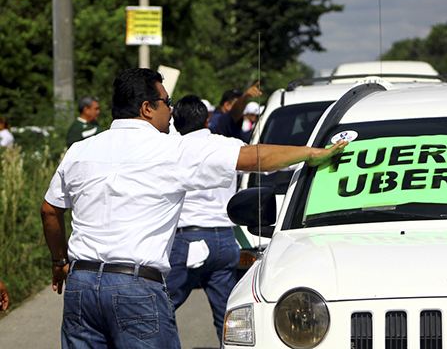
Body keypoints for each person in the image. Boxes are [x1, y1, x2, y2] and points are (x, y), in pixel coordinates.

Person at [40, 68, 347, 349]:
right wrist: (312, 153)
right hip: (134, 286)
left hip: (80, 285)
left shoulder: (79, 151)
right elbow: (255, 157)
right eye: (166, 101)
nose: (171, 111)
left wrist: (59, 262)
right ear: (147, 108)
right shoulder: (173, 149)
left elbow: (49, 211)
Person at [166, 95, 242, 343]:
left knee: (158, 309)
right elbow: (272, 164)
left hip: (189, 240)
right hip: (227, 240)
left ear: (175, 122)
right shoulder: (231, 145)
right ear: (208, 118)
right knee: (229, 319)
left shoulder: (170, 149)